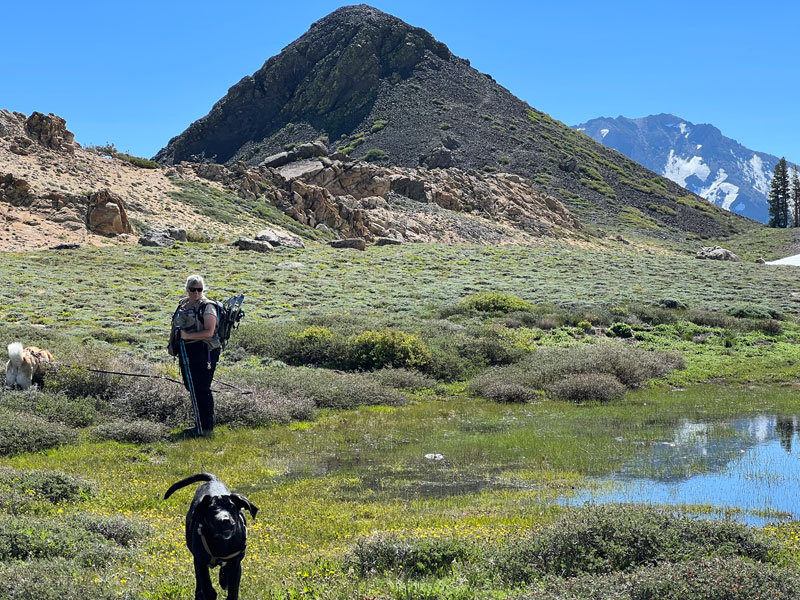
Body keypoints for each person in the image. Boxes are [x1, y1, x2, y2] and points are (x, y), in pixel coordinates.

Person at [170, 274, 221, 437]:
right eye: (193, 289)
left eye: (199, 289)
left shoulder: (208, 307)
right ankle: (199, 424)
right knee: (191, 387)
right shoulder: (184, 304)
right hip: (187, 351)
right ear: (187, 289)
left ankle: (206, 427)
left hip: (205, 351)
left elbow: (209, 332)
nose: (196, 293)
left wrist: (187, 336)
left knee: (201, 388)